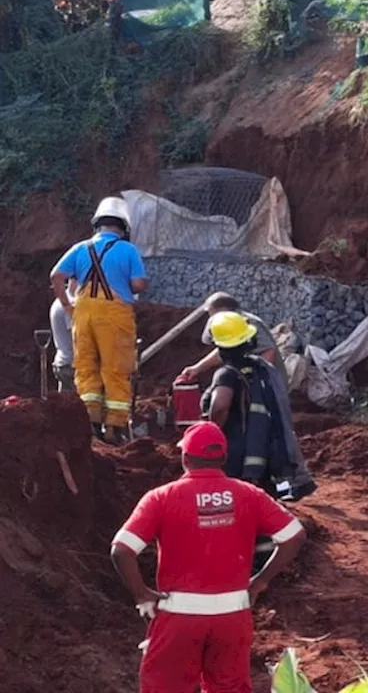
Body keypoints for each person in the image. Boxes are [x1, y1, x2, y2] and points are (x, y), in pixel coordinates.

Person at [110, 421, 305, 693]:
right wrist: (260, 581)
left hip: (179, 616)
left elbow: (121, 550)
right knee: (229, 687)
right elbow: (294, 535)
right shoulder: (249, 495)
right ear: (223, 458)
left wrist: (142, 595)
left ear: (185, 458)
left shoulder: (161, 498)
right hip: (233, 615)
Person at [177, 292, 316, 502]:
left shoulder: (231, 372)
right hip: (261, 388)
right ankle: (274, 483)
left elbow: (221, 406)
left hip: (260, 396)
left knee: (266, 431)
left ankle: (293, 480)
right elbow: (227, 348)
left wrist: (212, 431)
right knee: (268, 430)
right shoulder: (239, 334)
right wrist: (198, 368)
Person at [51, 196, 148, 443]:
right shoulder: (128, 250)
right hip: (115, 315)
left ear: (97, 225)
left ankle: (90, 424)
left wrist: (66, 303)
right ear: (124, 227)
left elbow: (56, 275)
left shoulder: (80, 248)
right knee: (116, 369)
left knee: (86, 367)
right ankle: (115, 428)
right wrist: (130, 283)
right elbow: (138, 283)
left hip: (82, 313)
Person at [49, 280, 76, 391]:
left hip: (64, 364)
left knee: (66, 405)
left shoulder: (60, 301)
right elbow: (77, 337)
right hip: (72, 366)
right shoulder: (70, 303)